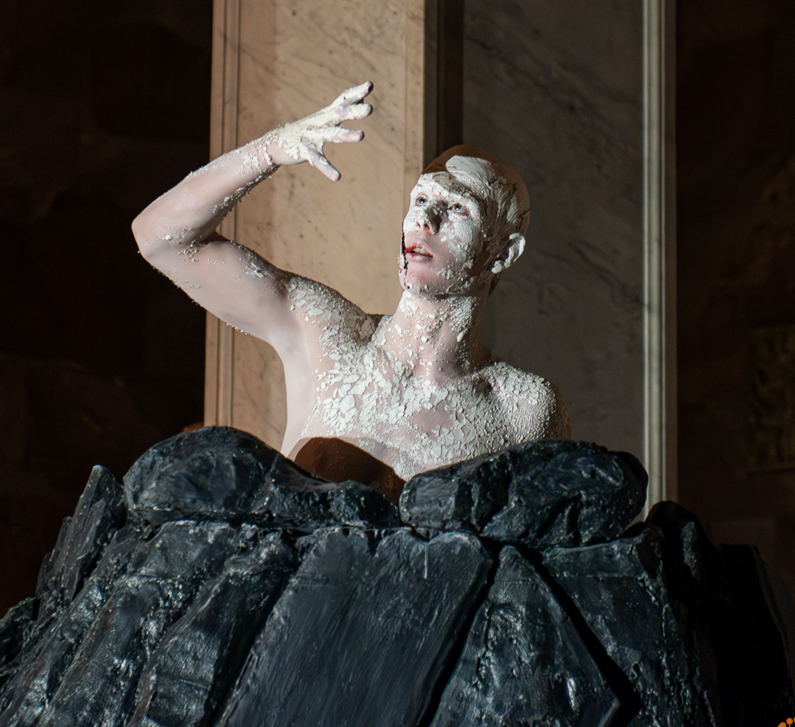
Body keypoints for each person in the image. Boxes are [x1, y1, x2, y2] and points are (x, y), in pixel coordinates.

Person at [131, 81, 569, 487]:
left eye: (457, 208)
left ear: (503, 253)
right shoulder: (327, 334)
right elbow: (160, 239)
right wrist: (270, 150)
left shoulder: (523, 408)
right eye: (420, 198)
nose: (425, 218)